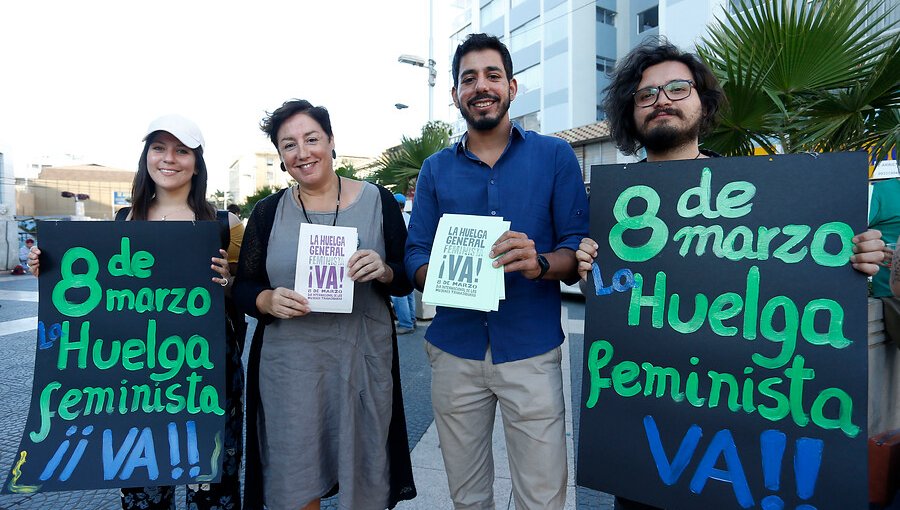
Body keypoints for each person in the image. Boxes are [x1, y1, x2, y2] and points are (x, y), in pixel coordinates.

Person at [575, 38, 884, 510]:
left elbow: (797, 290)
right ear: (630, 112)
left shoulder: (765, 198)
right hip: (643, 442)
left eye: (678, 88)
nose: (661, 100)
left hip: (740, 446)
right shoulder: (616, 204)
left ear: (703, 99)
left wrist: (856, 257)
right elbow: (613, 302)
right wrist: (587, 270)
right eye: (646, 94)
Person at [405, 33, 588, 509]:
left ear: (512, 86)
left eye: (492, 76)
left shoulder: (555, 157)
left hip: (531, 350)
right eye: (469, 78)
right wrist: (442, 273)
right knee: (467, 497)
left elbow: (574, 252)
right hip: (454, 351)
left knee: (543, 495)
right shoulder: (434, 169)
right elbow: (414, 255)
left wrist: (541, 263)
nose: (481, 86)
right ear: (455, 94)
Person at [28, 114, 245, 510]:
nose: (170, 158)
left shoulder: (224, 225)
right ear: (147, 156)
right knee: (145, 485)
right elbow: (94, 293)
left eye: (182, 150)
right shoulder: (123, 221)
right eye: (159, 148)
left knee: (212, 487)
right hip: (140, 380)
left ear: (197, 162)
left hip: (207, 376)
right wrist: (50, 267)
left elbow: (247, 293)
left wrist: (228, 282)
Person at [232, 99, 416, 510]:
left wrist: (384, 270)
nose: (303, 152)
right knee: (295, 477)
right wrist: (266, 298)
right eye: (289, 145)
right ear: (280, 157)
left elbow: (405, 277)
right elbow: (243, 287)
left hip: (361, 361)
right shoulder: (267, 212)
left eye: (311, 139)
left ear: (331, 141)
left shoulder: (377, 201)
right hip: (291, 369)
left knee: (365, 469)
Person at [391, 193, 416, 334]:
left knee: (398, 293)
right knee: (409, 290)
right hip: (411, 258)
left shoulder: (395, 219)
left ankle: (405, 324)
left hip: (400, 258)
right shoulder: (408, 217)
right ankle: (411, 319)